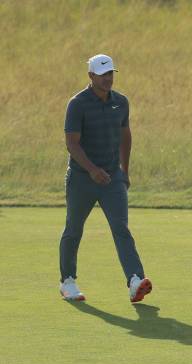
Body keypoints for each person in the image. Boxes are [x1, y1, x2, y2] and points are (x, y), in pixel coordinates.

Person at [59, 54, 152, 303]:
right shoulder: (77, 104)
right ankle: (68, 281)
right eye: (103, 74)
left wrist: (125, 170)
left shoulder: (121, 102)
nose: (108, 78)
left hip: (112, 178)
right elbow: (72, 144)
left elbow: (125, 135)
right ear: (91, 76)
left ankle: (135, 281)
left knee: (121, 229)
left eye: (110, 73)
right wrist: (91, 169)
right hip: (81, 179)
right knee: (74, 229)